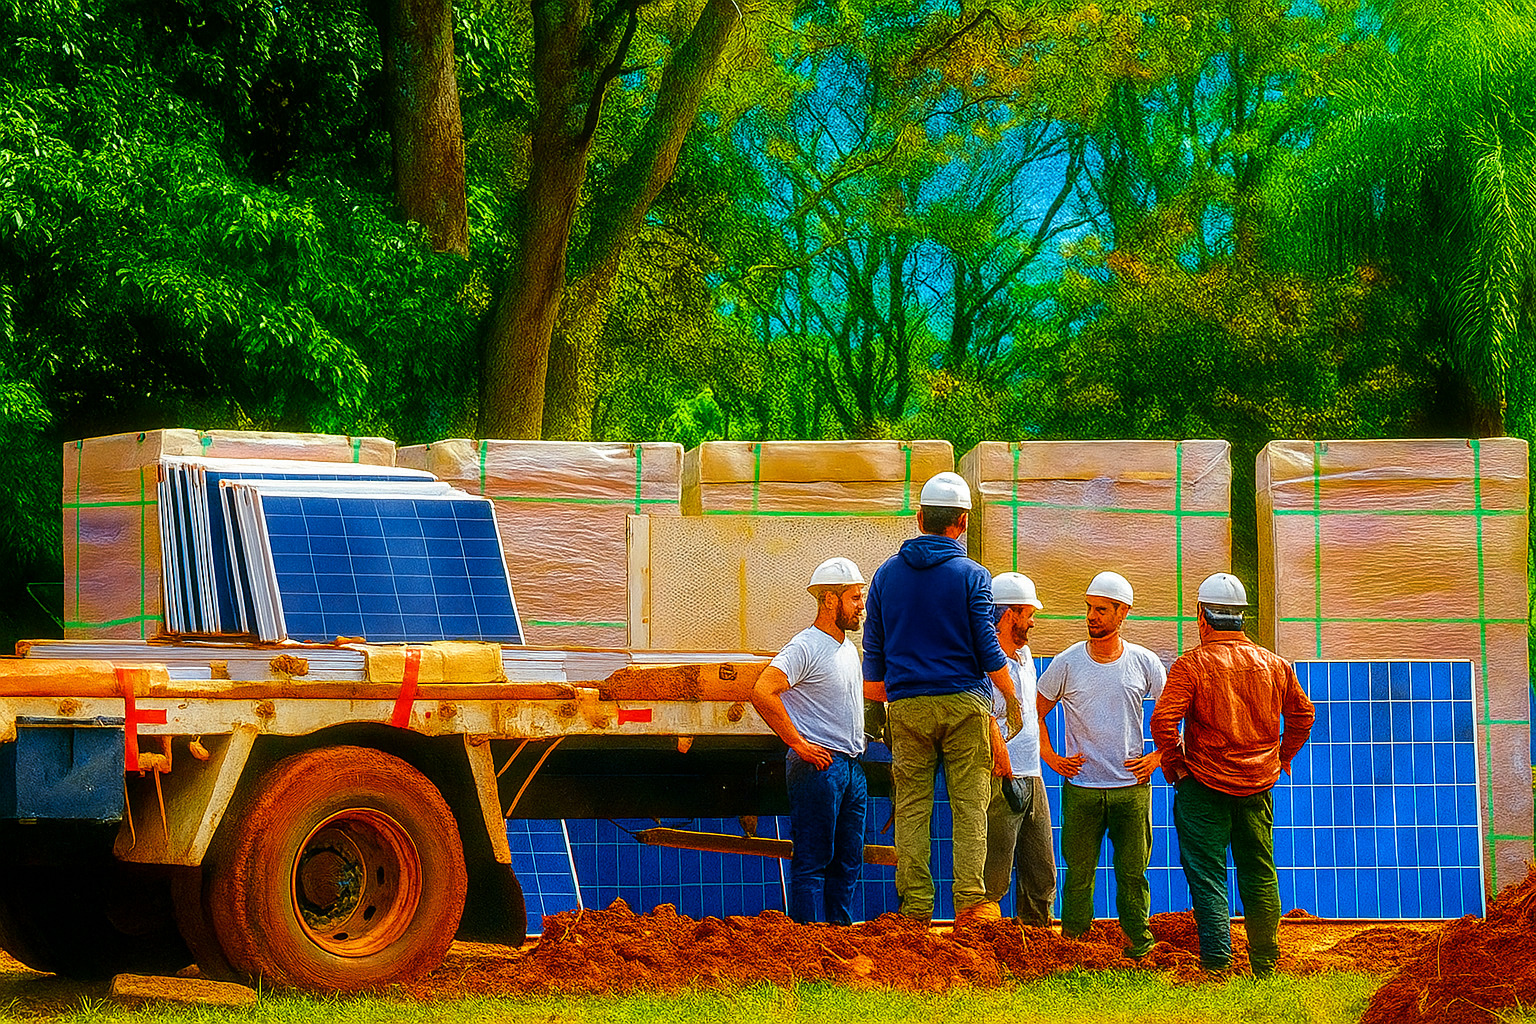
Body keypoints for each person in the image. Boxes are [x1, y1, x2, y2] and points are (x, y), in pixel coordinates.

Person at [862, 472, 1021, 927]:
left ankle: (914, 909)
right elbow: (988, 648)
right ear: (963, 521)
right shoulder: (973, 575)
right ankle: (971, 902)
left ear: (919, 517)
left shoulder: (885, 576)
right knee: (969, 805)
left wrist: (878, 707)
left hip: (907, 706)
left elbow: (873, 650)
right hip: (964, 704)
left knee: (912, 807)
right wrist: (1011, 698)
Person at [1150, 572, 1315, 976]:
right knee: (1259, 871)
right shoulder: (1274, 664)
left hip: (1203, 785)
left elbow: (1162, 721)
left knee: (1208, 876)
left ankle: (1218, 964)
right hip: (1258, 786)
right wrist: (1282, 757)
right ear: (1242, 618)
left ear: (1202, 617)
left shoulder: (1192, 664)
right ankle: (1264, 962)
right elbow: (1303, 714)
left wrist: (1176, 768)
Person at [1036, 570, 1166, 957]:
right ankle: (1075, 944)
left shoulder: (1144, 662)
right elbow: (1035, 712)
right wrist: (1050, 756)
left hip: (1131, 790)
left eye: (1102, 610)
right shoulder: (1068, 662)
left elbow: (1171, 714)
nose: (1092, 616)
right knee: (1078, 874)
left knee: (1132, 874)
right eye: (1090, 609)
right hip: (1082, 792)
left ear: (1123, 612)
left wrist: (1158, 756)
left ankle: (1139, 945)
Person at [751, 556, 871, 925]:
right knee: (813, 859)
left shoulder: (847, 648)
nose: (861, 607)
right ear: (830, 601)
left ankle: (838, 936)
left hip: (850, 766)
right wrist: (798, 744)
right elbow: (763, 690)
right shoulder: (807, 645)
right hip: (819, 766)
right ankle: (806, 944)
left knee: (847, 861)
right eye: (854, 598)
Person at [981, 571, 1057, 927]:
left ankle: (1038, 942)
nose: (1032, 622)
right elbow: (987, 716)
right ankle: (984, 943)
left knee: (1041, 869)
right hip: (1002, 777)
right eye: (1028, 614)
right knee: (994, 870)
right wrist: (1003, 760)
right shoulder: (986, 663)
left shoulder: (1024, 657)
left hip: (1033, 777)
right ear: (1010, 614)